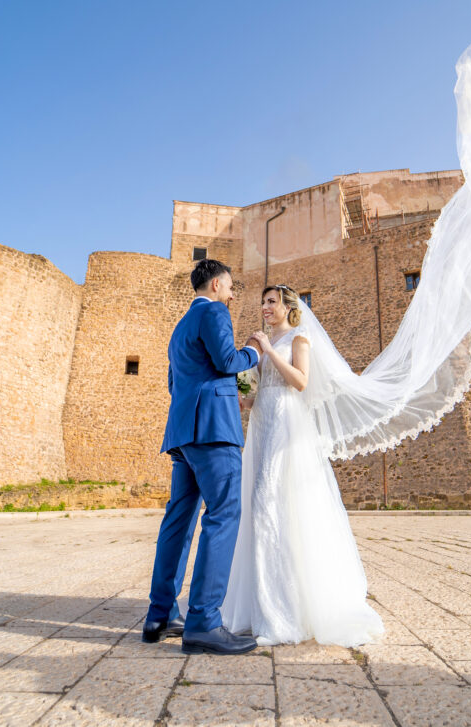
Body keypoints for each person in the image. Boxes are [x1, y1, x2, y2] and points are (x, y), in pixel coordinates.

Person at [222, 284, 384, 646]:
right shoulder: (258, 342)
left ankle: (283, 611)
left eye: (271, 302)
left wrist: (268, 350)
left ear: (287, 307)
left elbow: (300, 381)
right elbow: (247, 401)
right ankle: (255, 605)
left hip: (286, 423)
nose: (264, 307)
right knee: (256, 504)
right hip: (261, 422)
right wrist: (245, 372)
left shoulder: (299, 337)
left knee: (273, 504)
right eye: (262, 302)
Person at [143, 258, 265, 655]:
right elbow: (227, 362)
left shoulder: (179, 328)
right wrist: (253, 352)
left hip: (182, 435)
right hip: (214, 430)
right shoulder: (215, 312)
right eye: (230, 287)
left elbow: (172, 383)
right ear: (215, 285)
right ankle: (204, 623)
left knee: (178, 521)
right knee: (223, 515)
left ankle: (159, 615)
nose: (232, 294)